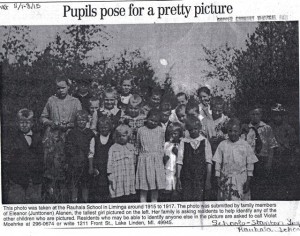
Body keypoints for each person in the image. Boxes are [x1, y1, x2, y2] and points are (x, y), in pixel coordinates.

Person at [40, 77, 82, 203]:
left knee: (68, 166)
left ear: (68, 87)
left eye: (63, 87)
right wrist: (52, 123)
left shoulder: (75, 101)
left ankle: (68, 197)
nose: (61, 90)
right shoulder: (51, 100)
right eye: (58, 88)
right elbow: (43, 117)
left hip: (69, 137)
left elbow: (81, 120)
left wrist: (69, 125)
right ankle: (52, 195)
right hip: (53, 138)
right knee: (52, 167)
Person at [213, 118, 258, 200]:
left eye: (235, 131)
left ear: (240, 131)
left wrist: (248, 181)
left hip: (241, 179)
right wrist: (218, 178)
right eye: (230, 131)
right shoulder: (222, 145)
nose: (233, 133)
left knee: (239, 200)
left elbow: (250, 165)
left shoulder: (245, 145)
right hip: (225, 179)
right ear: (227, 131)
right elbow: (218, 163)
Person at [6, 109, 44, 204]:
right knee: (17, 201)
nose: (24, 125)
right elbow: (9, 159)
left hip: (34, 179)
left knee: (35, 202)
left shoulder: (37, 138)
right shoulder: (13, 138)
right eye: (21, 122)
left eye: (27, 122)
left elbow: (41, 158)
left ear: (32, 123)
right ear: (17, 123)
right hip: (18, 180)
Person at [242, 105, 278, 200]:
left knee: (262, 187)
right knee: (250, 185)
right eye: (252, 114)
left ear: (261, 115)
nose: (255, 116)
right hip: (250, 161)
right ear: (249, 115)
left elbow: (272, 147)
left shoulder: (267, 128)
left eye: (257, 114)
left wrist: (269, 163)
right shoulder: (246, 129)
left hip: (263, 160)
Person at [176, 116, 212, 201]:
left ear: (200, 128)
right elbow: (179, 161)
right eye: (190, 129)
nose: (193, 131)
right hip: (187, 177)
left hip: (200, 178)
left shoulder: (205, 141)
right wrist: (178, 179)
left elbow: (208, 162)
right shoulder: (184, 141)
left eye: (195, 129)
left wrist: (208, 179)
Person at [136, 109, 166, 202]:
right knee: (143, 188)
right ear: (147, 118)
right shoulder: (141, 130)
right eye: (151, 120)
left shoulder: (161, 130)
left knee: (155, 187)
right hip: (144, 161)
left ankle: (154, 205)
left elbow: (162, 144)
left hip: (156, 161)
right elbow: (138, 145)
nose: (153, 122)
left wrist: (161, 157)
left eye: (156, 121)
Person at [65, 110, 95, 203]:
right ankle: (74, 200)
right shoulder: (71, 133)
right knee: (74, 183)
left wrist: (91, 166)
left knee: (85, 184)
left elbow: (92, 150)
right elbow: (67, 148)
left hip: (85, 162)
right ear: (76, 121)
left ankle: (85, 201)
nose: (81, 122)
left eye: (83, 120)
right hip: (74, 162)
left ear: (87, 121)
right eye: (79, 120)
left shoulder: (90, 133)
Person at [107, 124, 136, 202]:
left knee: (128, 193)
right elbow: (109, 161)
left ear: (128, 136)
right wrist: (110, 174)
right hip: (118, 175)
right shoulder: (113, 148)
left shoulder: (131, 147)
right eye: (119, 136)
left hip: (129, 174)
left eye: (123, 136)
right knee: (117, 192)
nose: (121, 138)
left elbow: (135, 161)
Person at [89, 116, 114, 203]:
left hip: (109, 166)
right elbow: (91, 154)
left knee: (109, 186)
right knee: (98, 187)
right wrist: (91, 167)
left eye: (106, 127)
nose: (104, 130)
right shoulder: (94, 139)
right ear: (98, 128)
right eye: (101, 128)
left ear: (110, 127)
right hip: (98, 167)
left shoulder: (112, 139)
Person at [119, 94, 146, 159]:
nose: (133, 110)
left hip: (139, 145)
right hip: (128, 144)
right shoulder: (124, 118)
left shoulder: (143, 119)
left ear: (140, 108)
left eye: (135, 108)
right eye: (131, 108)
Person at [162, 122, 184, 201]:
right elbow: (163, 155)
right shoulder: (166, 144)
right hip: (167, 170)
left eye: (175, 134)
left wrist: (177, 153)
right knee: (167, 191)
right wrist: (164, 159)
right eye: (170, 134)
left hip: (176, 171)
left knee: (176, 191)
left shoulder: (181, 144)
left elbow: (183, 159)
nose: (172, 136)